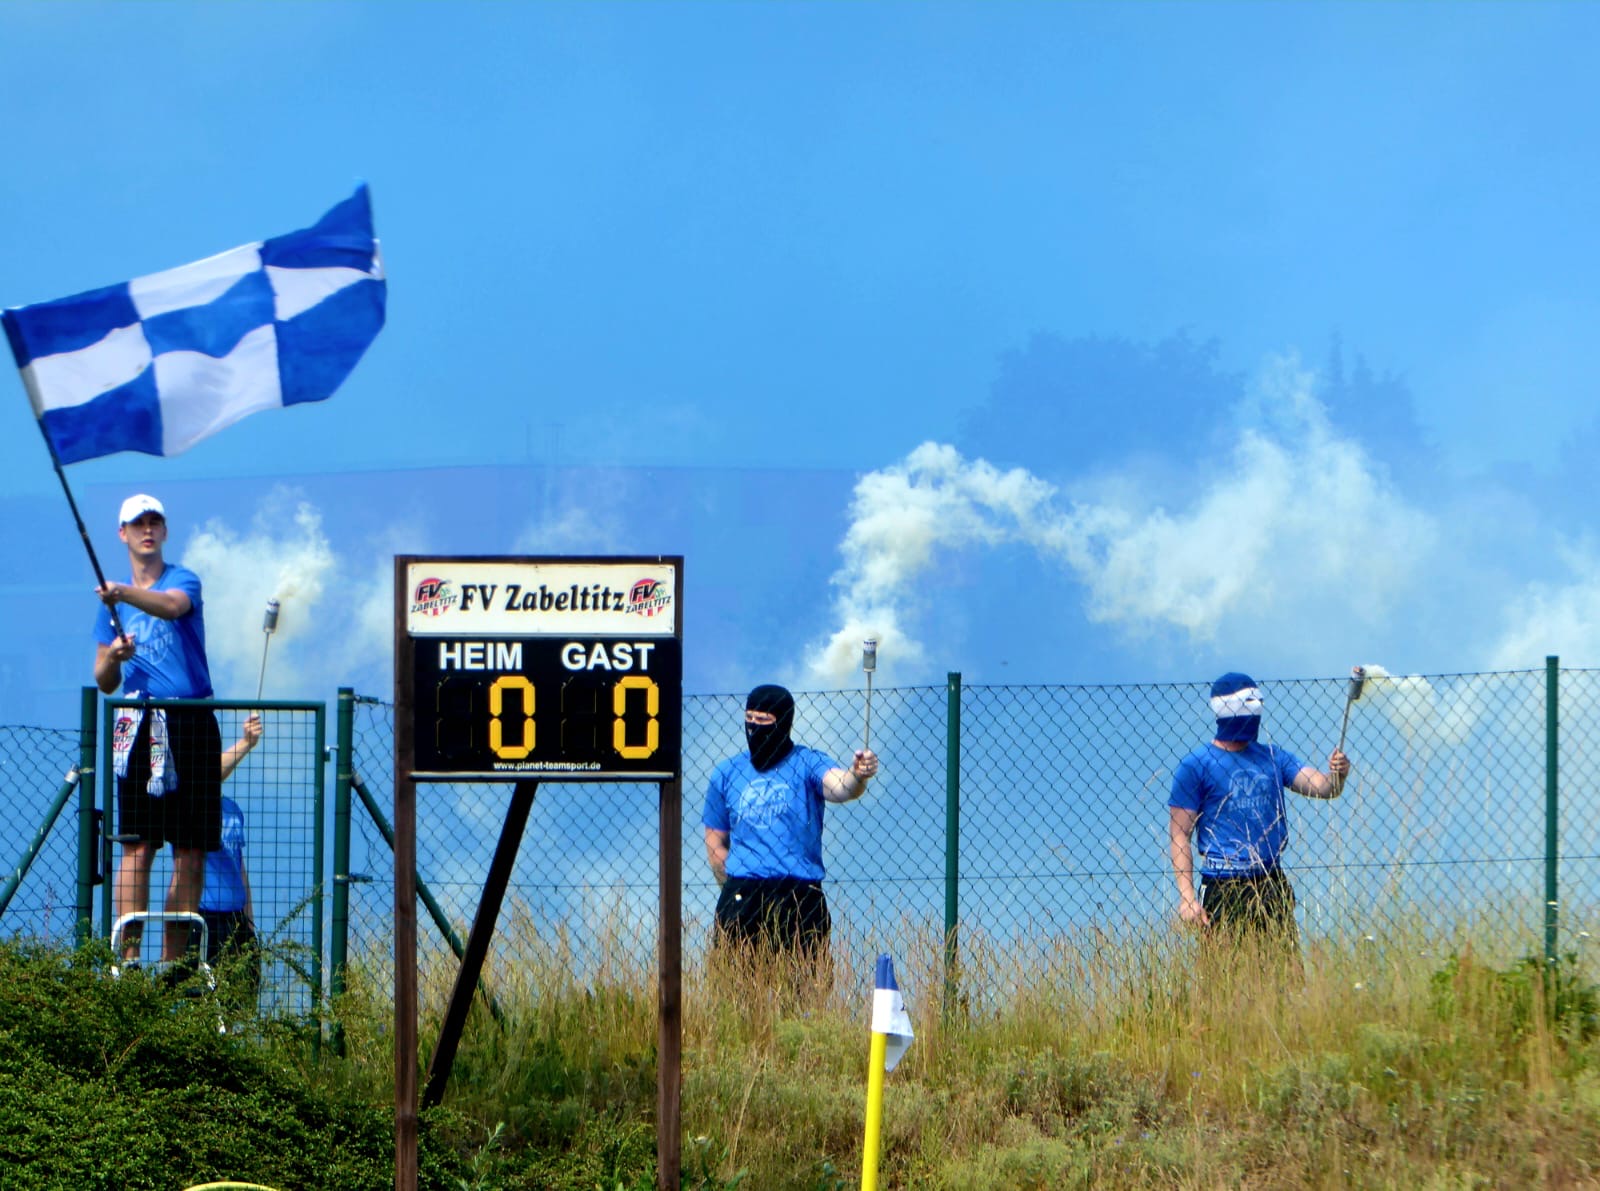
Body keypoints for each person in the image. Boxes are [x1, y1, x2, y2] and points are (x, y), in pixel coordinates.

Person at [94, 494, 222, 966]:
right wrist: (115, 657)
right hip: (139, 723)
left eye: (155, 522)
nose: (147, 530)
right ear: (122, 533)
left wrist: (122, 594)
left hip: (190, 720)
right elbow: (103, 678)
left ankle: (172, 965)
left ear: (165, 531)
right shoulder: (111, 607)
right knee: (138, 845)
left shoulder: (182, 578)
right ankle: (127, 963)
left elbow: (172, 607)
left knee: (190, 849)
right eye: (137, 523)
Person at [1167, 671, 1350, 946]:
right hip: (1222, 884)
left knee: (1285, 973)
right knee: (1224, 975)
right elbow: (1179, 834)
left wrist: (1338, 774)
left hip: (1270, 881)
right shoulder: (1196, 766)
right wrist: (1187, 898)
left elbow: (1325, 788)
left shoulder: (1274, 757)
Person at [701, 683, 879, 960]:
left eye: (763, 721)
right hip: (742, 895)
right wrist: (730, 885)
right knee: (737, 989)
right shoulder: (726, 773)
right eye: (749, 720)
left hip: (799, 898)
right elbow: (715, 838)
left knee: (804, 988)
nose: (754, 728)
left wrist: (857, 775)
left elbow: (841, 787)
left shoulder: (807, 763)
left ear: (783, 722)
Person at [197, 713, 263, 1000]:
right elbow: (208, 775)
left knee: (239, 996)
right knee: (205, 996)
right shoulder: (192, 807)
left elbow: (240, 868)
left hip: (235, 916)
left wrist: (249, 923)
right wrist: (246, 743)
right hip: (204, 915)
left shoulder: (233, 810)